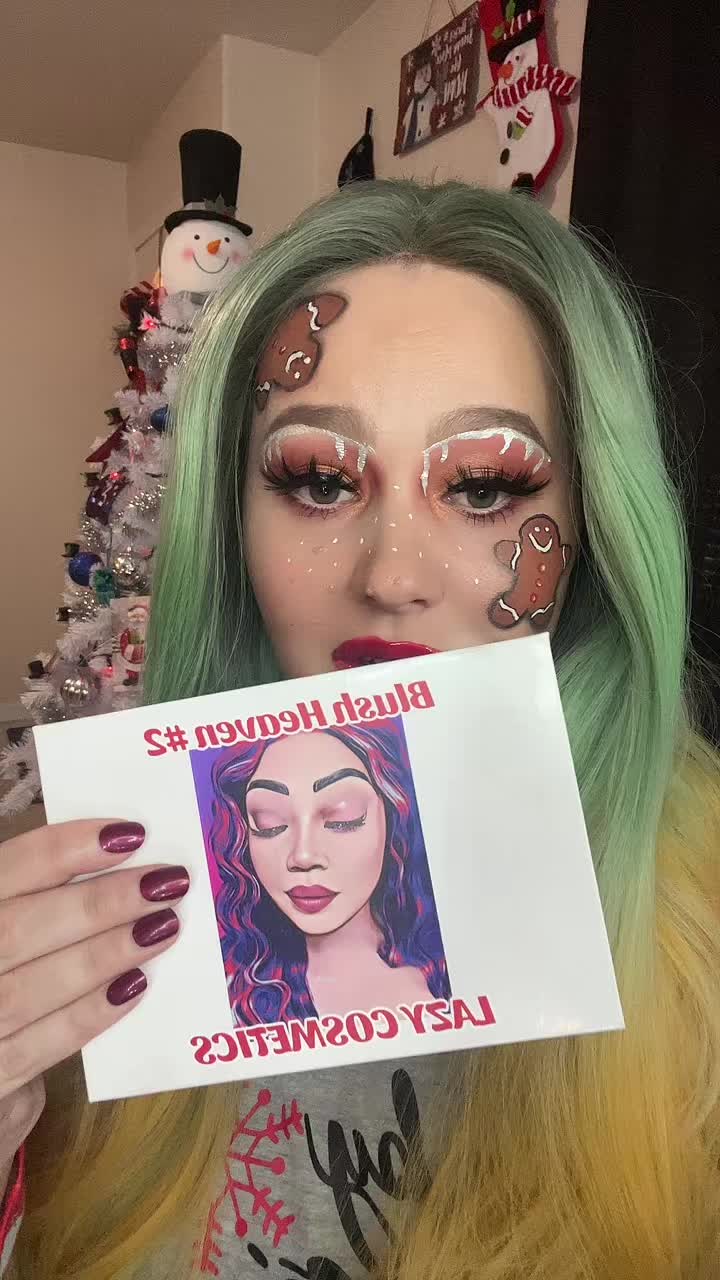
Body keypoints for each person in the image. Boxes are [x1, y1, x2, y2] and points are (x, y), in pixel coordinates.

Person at [1, 179, 718, 1280]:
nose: (391, 574)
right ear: (230, 518)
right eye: (319, 480)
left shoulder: (701, 916)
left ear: (591, 520)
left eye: (484, 486)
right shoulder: (76, 899)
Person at [203, 722, 449, 1026]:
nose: (303, 856)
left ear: (393, 817)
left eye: (343, 818)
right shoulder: (225, 992)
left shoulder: (451, 975)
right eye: (269, 821)